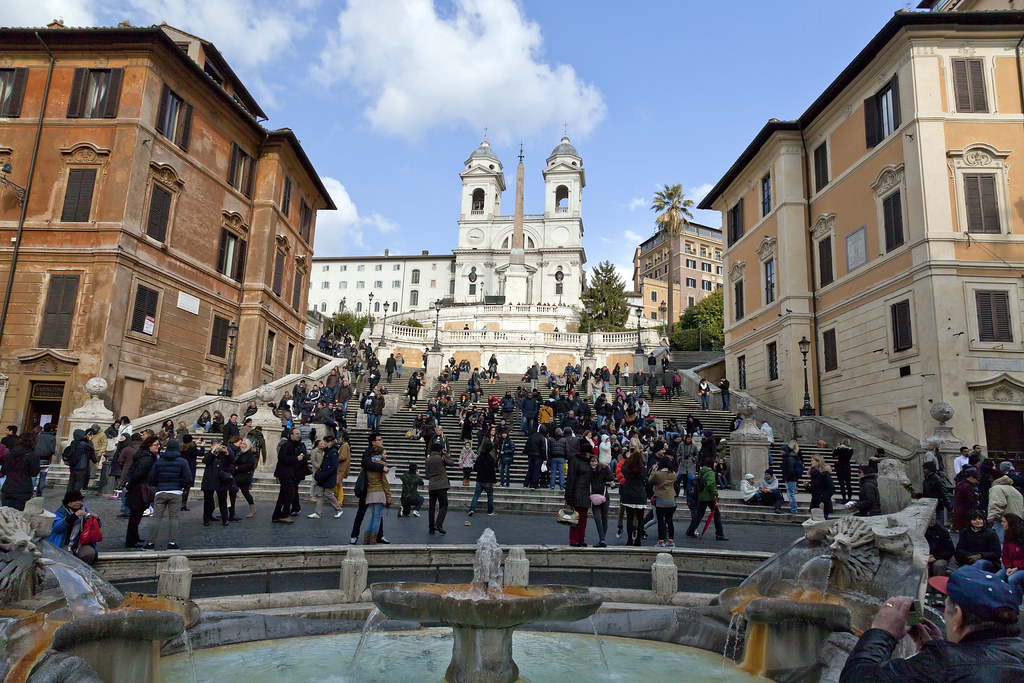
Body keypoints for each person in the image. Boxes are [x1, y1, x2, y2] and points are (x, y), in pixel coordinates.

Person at [839, 565, 1024, 682]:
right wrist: (945, 647)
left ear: (957, 615)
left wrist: (881, 633)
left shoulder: (942, 664)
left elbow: (855, 678)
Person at [144, 438, 191, 550]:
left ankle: (150, 542)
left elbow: (151, 477)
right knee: (174, 518)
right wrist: (179, 484)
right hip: (175, 491)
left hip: (160, 490)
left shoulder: (159, 461)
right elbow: (188, 479)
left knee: (156, 517)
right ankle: (172, 542)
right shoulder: (182, 462)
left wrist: (159, 484)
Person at [47, 490, 101, 565]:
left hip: (80, 543)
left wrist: (96, 519)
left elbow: (97, 527)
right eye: (75, 501)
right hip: (64, 543)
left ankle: (83, 572)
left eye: (79, 500)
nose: (78, 502)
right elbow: (56, 528)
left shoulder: (85, 510)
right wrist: (73, 517)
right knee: (66, 556)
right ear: (68, 502)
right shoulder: (59, 512)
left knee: (89, 553)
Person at [124, 436, 158, 548]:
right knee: (135, 516)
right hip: (138, 490)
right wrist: (129, 485)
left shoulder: (143, 456)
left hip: (136, 489)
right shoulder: (147, 459)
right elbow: (138, 474)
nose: (158, 447)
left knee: (136, 516)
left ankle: (134, 536)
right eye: (155, 445)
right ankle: (131, 540)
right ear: (149, 446)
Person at [686, 457, 727, 541]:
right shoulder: (710, 473)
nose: (716, 464)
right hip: (709, 496)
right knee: (716, 514)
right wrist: (716, 494)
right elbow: (710, 484)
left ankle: (691, 530)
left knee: (699, 514)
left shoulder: (702, 472)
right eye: (714, 463)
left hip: (701, 496)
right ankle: (719, 533)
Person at [272, 428, 307, 523]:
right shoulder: (287, 445)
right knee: (290, 493)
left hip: (291, 474)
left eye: (299, 434)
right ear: (291, 435)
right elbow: (282, 458)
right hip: (285, 474)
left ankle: (276, 515)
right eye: (296, 434)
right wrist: (296, 458)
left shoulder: (296, 445)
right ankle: (284, 514)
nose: (298, 435)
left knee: (283, 495)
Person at [564, 437, 593, 547]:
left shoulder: (586, 463)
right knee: (575, 519)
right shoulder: (575, 461)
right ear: (586, 453)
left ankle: (580, 539)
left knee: (583, 520)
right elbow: (571, 479)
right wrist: (569, 496)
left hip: (584, 494)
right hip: (577, 493)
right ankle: (574, 539)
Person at [362, 444, 391, 545]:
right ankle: (373, 540)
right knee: (377, 517)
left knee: (373, 516)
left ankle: (366, 539)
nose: (385, 455)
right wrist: (388, 496)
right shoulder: (382, 465)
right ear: (380, 454)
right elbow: (385, 483)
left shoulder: (368, 464)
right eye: (384, 453)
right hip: (379, 492)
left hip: (370, 492)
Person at [309, 435, 344, 519]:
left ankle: (339, 509)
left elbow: (334, 466)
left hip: (328, 476)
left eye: (325, 442)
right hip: (323, 475)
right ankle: (318, 512)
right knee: (320, 494)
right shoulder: (326, 451)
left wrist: (325, 474)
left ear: (330, 442)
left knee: (328, 494)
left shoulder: (333, 452)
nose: (324, 443)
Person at [2, 432, 39, 510]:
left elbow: (3, 470)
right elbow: (34, 473)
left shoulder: (9, 454)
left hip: (8, 487)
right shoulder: (32, 456)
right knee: (18, 516)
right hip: (23, 488)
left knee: (6, 517)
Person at [649, 456, 680, 547]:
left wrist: (653, 471)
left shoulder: (658, 474)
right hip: (671, 499)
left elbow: (650, 481)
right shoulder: (673, 474)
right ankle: (671, 541)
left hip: (660, 499)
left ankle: (661, 541)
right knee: (670, 521)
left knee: (661, 521)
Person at [988, 467, 1024, 543]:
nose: (989, 480)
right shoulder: (1013, 489)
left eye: (990, 477)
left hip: (1003, 521)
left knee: (1001, 543)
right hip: (1017, 521)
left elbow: (997, 504)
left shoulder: (996, 488)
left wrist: (991, 518)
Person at [426, 440, 454, 535]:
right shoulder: (441, 458)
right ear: (440, 450)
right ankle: (438, 524)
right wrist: (446, 455)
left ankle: (431, 526)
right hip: (441, 485)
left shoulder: (428, 460)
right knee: (444, 505)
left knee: (432, 507)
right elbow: (451, 463)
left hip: (432, 486)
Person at [201, 443, 232, 526]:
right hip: (210, 480)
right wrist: (213, 452)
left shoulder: (224, 455)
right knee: (208, 501)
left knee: (223, 501)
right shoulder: (210, 454)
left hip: (221, 480)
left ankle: (225, 519)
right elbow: (205, 461)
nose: (218, 448)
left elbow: (231, 461)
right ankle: (206, 519)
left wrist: (226, 452)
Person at [589, 451, 615, 548]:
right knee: (597, 518)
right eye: (592, 461)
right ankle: (602, 539)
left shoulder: (603, 469)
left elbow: (611, 477)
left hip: (604, 497)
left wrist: (607, 467)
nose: (594, 463)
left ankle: (602, 539)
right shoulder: (588, 471)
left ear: (598, 462)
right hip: (594, 497)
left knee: (604, 517)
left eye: (595, 461)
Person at [467, 439, 497, 517]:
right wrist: (495, 481)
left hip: (480, 479)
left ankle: (471, 509)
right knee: (490, 495)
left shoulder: (480, 457)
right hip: (488, 480)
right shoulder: (491, 459)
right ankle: (490, 510)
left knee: (476, 495)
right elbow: (492, 471)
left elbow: (476, 468)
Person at [66, 428, 98, 496]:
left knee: (71, 481)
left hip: (73, 465)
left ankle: (68, 495)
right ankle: (74, 496)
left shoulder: (73, 442)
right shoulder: (84, 444)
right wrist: (89, 440)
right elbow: (91, 450)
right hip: (81, 465)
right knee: (79, 482)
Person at [921, 460, 952, 526]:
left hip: (938, 505)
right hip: (928, 505)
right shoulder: (926, 480)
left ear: (930, 469)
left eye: (925, 468)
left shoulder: (937, 480)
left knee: (938, 525)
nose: (923, 470)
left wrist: (949, 507)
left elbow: (944, 493)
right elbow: (926, 493)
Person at [233, 438, 257, 519]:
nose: (241, 446)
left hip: (244, 477)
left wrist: (238, 468)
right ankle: (229, 510)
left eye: (243, 444)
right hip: (237, 476)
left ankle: (252, 509)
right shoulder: (240, 453)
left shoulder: (249, 455)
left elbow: (250, 464)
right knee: (231, 494)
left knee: (246, 493)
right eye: (241, 444)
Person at [952, 467, 980, 532]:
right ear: (972, 478)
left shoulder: (960, 484)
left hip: (958, 510)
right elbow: (970, 501)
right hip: (965, 512)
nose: (977, 482)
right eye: (977, 479)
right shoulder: (967, 486)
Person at [808, 454, 835, 519]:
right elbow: (814, 490)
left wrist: (823, 501)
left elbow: (832, 489)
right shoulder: (814, 474)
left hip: (823, 501)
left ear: (818, 461)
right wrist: (807, 486)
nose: (811, 462)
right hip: (815, 501)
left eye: (812, 461)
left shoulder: (824, 473)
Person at [32, 423, 56, 497]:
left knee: (33, 476)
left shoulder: (37, 436)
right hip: (45, 459)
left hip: (35, 457)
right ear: (51, 429)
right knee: (42, 476)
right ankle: (39, 492)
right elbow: (52, 450)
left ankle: (30, 491)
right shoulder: (52, 438)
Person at [780, 445, 802, 514]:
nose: (780, 451)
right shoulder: (791, 457)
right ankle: (793, 509)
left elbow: (790, 470)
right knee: (790, 494)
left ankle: (794, 509)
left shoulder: (789, 458)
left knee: (791, 495)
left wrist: (787, 478)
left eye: (781, 450)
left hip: (791, 479)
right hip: (791, 478)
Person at [832, 439, 854, 503]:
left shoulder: (840, 449)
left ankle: (844, 498)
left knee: (842, 484)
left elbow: (833, 455)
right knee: (848, 484)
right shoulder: (850, 450)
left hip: (840, 467)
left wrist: (837, 447)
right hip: (847, 467)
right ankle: (849, 498)